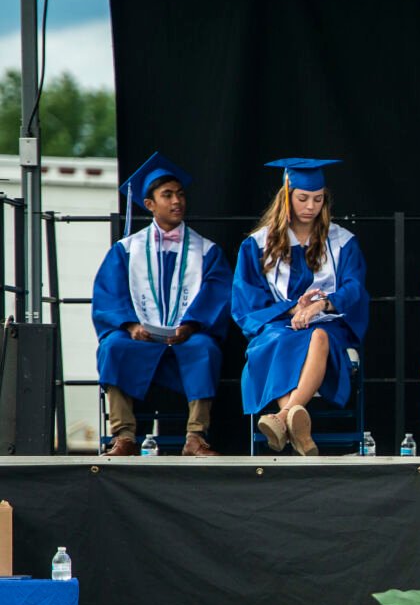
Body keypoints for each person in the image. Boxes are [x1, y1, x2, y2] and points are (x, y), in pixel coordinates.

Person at [92, 153, 231, 457]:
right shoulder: (126, 251)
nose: (177, 201)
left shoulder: (206, 250)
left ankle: (196, 437)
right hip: (140, 337)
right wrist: (130, 325)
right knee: (113, 346)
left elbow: (216, 293)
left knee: (205, 348)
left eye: (180, 194)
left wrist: (191, 325)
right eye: (167, 195)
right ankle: (124, 437)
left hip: (185, 337)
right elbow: (109, 295)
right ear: (149, 204)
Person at [231, 158, 368, 457]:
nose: (311, 206)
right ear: (287, 196)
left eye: (318, 199)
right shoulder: (257, 244)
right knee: (280, 339)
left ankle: (282, 418)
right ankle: (298, 429)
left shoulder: (342, 241)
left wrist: (320, 304)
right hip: (277, 323)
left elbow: (354, 287)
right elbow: (247, 300)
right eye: (303, 198)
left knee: (318, 335)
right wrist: (293, 310)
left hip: (328, 322)